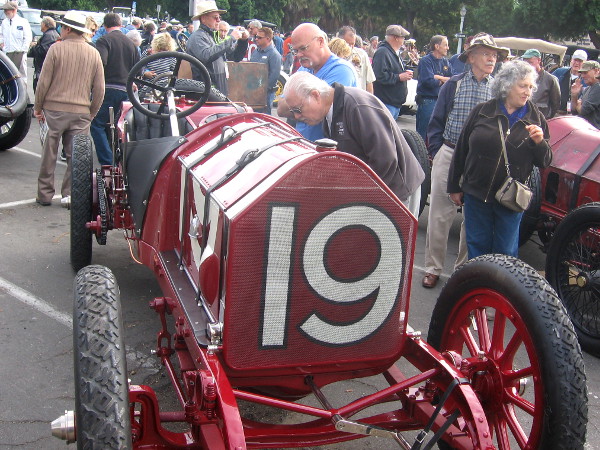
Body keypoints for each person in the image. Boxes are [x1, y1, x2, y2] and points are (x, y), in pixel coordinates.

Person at [422, 32, 507, 288]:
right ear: (471, 57)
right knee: (439, 214)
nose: (491, 59)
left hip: (479, 161)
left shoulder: (498, 91)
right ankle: (433, 268)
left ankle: (462, 272)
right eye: (486, 54)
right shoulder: (454, 85)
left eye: (494, 55)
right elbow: (436, 122)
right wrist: (437, 153)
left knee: (473, 218)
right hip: (449, 152)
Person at [448, 60, 552, 258]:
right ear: (506, 85)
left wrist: (539, 142)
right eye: (522, 85)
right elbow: (461, 150)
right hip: (476, 193)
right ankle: (478, 287)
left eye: (531, 87)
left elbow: (545, 161)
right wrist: (454, 186)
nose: (527, 91)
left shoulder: (536, 119)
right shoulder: (482, 111)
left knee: (506, 251)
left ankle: (498, 289)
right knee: (477, 246)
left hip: (511, 198)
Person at [283, 71, 424, 215]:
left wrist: (361, 202)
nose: (296, 116)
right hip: (377, 192)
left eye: (298, 109)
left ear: (315, 95)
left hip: (397, 191)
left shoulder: (357, 106)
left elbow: (385, 159)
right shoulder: (329, 112)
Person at [33, 11, 105, 207]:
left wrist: (38, 106)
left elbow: (43, 82)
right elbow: (99, 89)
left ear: (67, 29)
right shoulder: (93, 53)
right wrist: (92, 112)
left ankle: (45, 194)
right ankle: (70, 195)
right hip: (81, 111)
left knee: (49, 153)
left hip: (53, 109)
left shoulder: (56, 50)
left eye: (61, 28)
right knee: (77, 157)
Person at [276, 22, 356, 141]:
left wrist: (296, 104)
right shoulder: (305, 68)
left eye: (303, 48)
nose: (298, 55)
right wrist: (303, 104)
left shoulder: (342, 71)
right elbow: (281, 108)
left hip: (328, 151)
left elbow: (320, 109)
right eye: (295, 50)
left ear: (320, 41)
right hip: (306, 145)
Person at [91, 12, 140, 166]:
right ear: (120, 24)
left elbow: (100, 63)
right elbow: (137, 69)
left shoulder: (104, 40)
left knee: (97, 124)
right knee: (120, 127)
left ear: (105, 26)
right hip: (126, 90)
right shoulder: (131, 44)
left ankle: (107, 161)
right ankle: (121, 159)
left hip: (108, 87)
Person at [186, 0, 248, 96]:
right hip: (205, 90)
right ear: (203, 19)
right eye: (215, 17)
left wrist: (243, 41)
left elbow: (235, 57)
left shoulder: (214, 37)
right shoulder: (197, 37)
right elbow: (206, 56)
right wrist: (231, 38)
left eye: (219, 17)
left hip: (218, 87)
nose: (219, 20)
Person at [372, 25, 413, 120]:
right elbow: (379, 76)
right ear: (396, 38)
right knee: (384, 132)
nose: (403, 40)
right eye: (403, 37)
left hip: (393, 104)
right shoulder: (383, 52)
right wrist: (399, 77)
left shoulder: (393, 52)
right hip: (386, 103)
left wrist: (403, 73)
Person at [415, 35, 452, 141]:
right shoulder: (426, 61)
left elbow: (452, 79)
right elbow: (429, 81)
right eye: (445, 45)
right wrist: (443, 80)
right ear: (437, 46)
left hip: (442, 101)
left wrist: (438, 77)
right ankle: (420, 156)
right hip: (428, 101)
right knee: (422, 134)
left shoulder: (446, 62)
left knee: (438, 132)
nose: (447, 48)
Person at [249, 27, 281, 114]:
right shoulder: (255, 52)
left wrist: (262, 90)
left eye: (259, 37)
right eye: (256, 36)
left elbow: (274, 76)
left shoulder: (274, 55)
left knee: (264, 117)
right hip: (252, 91)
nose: (256, 39)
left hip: (266, 94)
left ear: (268, 39)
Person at [522, 48, 560, 118]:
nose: (527, 66)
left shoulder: (551, 79)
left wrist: (547, 119)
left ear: (539, 60)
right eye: (525, 63)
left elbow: (556, 104)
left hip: (542, 121)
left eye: (530, 62)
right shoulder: (522, 78)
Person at [338, 25, 375, 93]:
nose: (350, 47)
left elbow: (369, 81)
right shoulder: (333, 57)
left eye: (352, 44)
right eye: (347, 44)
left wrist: (369, 101)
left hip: (358, 99)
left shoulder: (362, 54)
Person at [0, 1, 31, 82]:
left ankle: (23, 93)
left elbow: (27, 37)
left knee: (21, 76)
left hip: (19, 53)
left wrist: (23, 50)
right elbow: (1, 35)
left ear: (14, 10)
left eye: (7, 10)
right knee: (8, 75)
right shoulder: (4, 22)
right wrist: (2, 45)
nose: (6, 12)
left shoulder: (23, 22)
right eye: (5, 10)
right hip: (7, 52)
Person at [30, 16, 59, 92]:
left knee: (39, 89)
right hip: (43, 68)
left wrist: (34, 47)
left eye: (41, 23)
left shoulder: (49, 35)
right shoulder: (52, 34)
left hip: (43, 68)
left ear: (45, 24)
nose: (40, 25)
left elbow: (43, 51)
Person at [554, 49, 588, 114]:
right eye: (575, 60)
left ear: (584, 63)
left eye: (580, 61)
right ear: (571, 60)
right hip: (557, 112)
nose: (577, 63)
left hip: (575, 114)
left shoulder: (586, 79)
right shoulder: (559, 72)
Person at [571, 60, 600, 129]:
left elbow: (583, 111)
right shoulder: (588, 88)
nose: (583, 76)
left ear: (596, 71)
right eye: (581, 73)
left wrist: (579, 106)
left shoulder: (598, 87)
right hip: (586, 131)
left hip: (594, 132)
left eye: (585, 73)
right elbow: (574, 111)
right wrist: (574, 95)